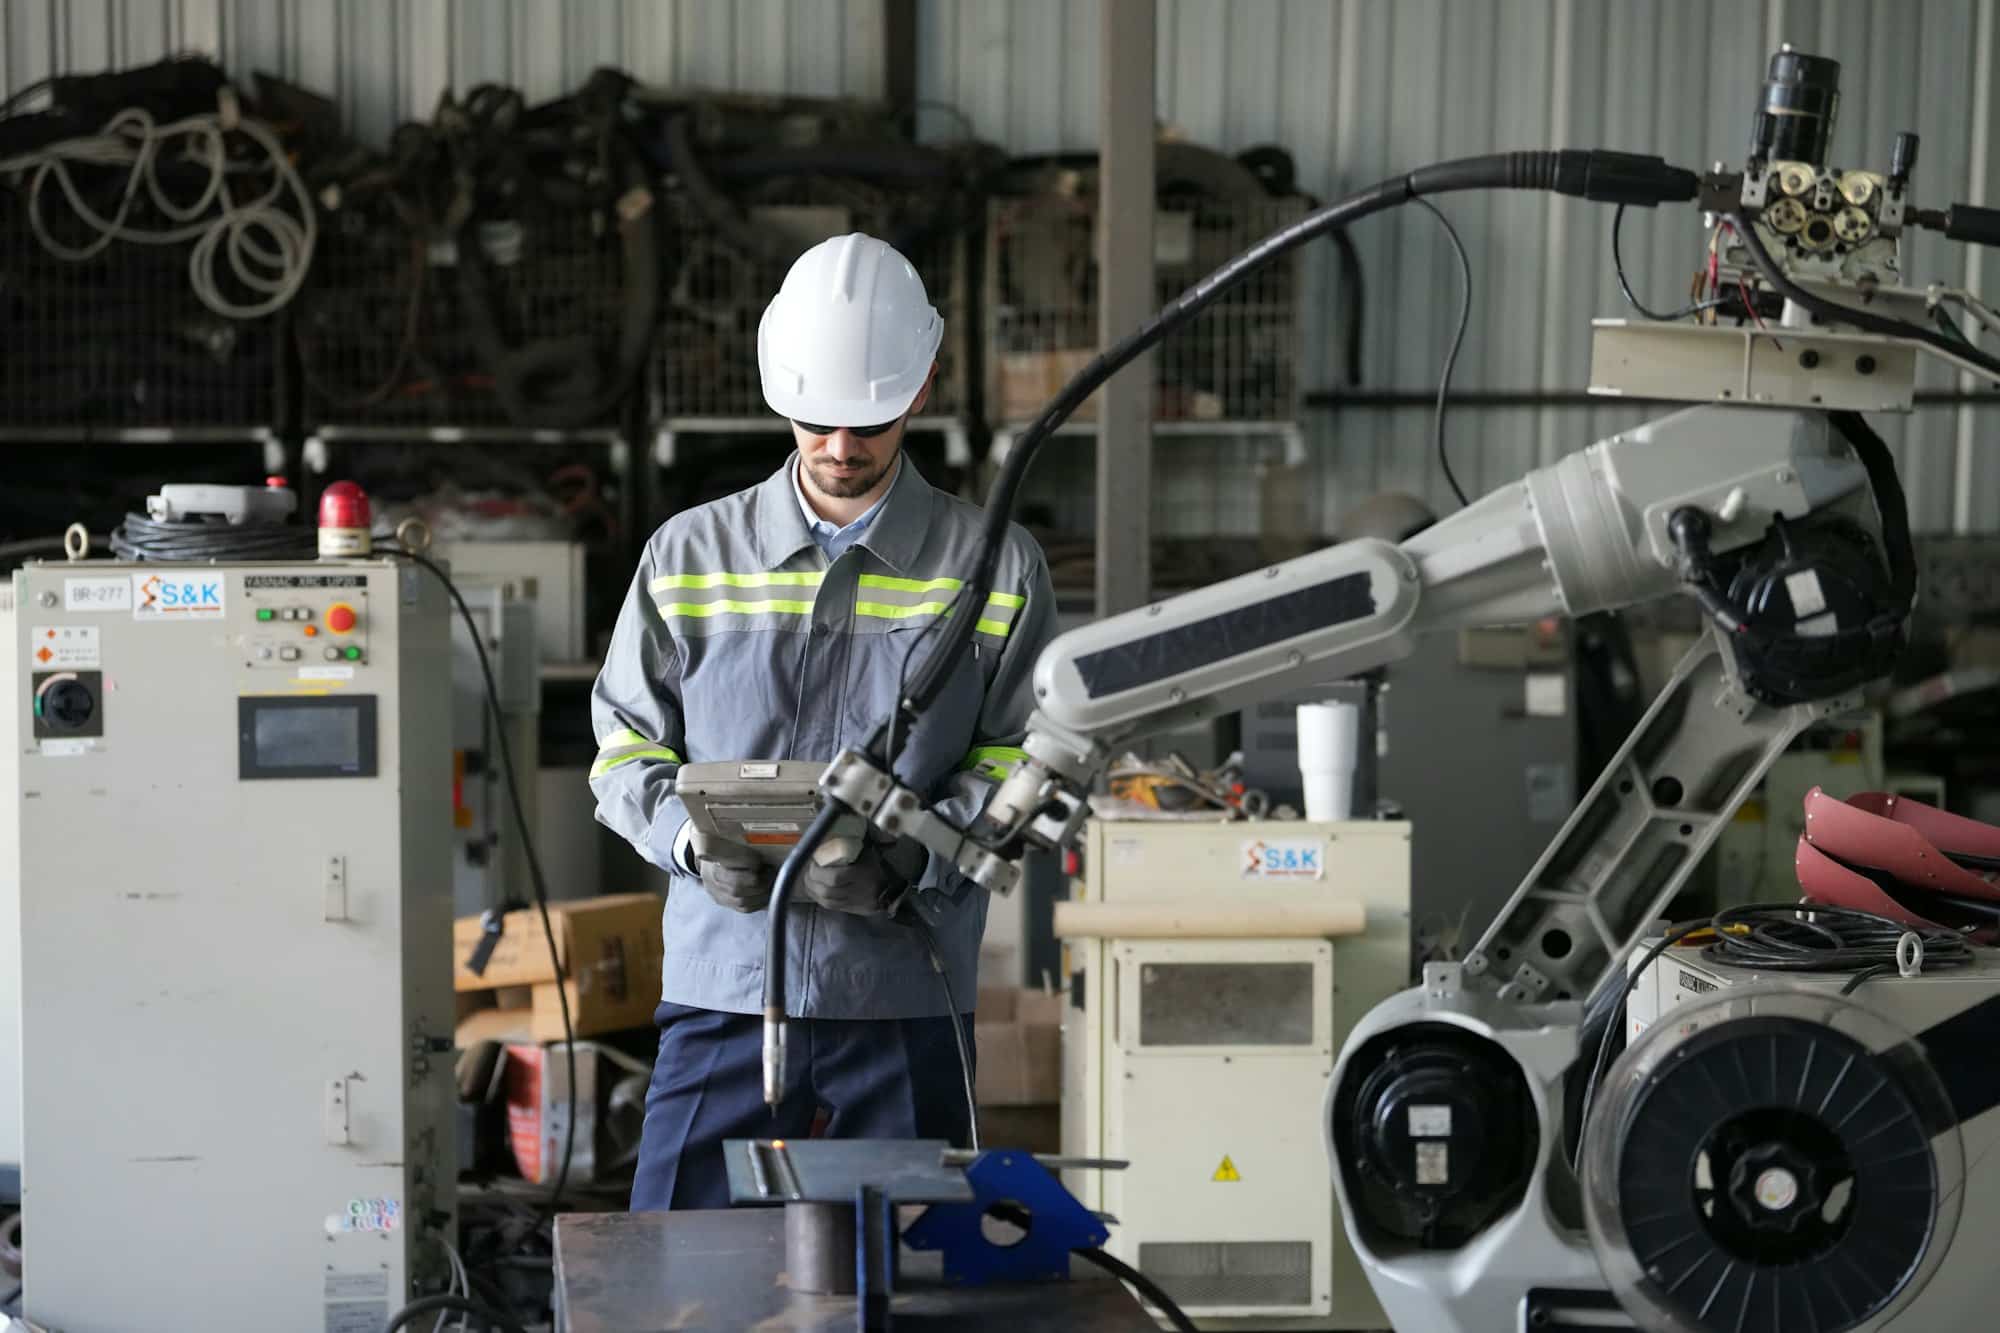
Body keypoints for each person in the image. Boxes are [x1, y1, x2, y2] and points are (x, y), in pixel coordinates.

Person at [590, 233, 1057, 1211]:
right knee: (676, 1279)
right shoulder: (687, 555)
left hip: (902, 994)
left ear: (918, 388)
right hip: (724, 988)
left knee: (908, 1282)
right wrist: (684, 841)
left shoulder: (995, 568)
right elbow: (625, 744)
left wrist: (919, 854)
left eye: (870, 421)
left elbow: (1022, 758)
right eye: (817, 421)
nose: (842, 448)